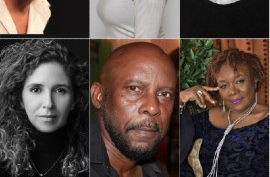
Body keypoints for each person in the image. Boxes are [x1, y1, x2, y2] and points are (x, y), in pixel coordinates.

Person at [0, 40, 89, 176]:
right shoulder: (3, 161)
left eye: (60, 90)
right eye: (36, 89)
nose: (48, 103)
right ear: (20, 99)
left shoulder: (92, 162)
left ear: (74, 100)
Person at [90, 42, 177, 176]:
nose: (153, 108)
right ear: (99, 96)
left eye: (165, 94)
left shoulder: (157, 171)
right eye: (134, 88)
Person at [181, 48, 269, 177]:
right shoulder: (204, 120)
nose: (232, 91)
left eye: (239, 81)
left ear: (254, 80)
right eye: (223, 85)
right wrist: (181, 98)